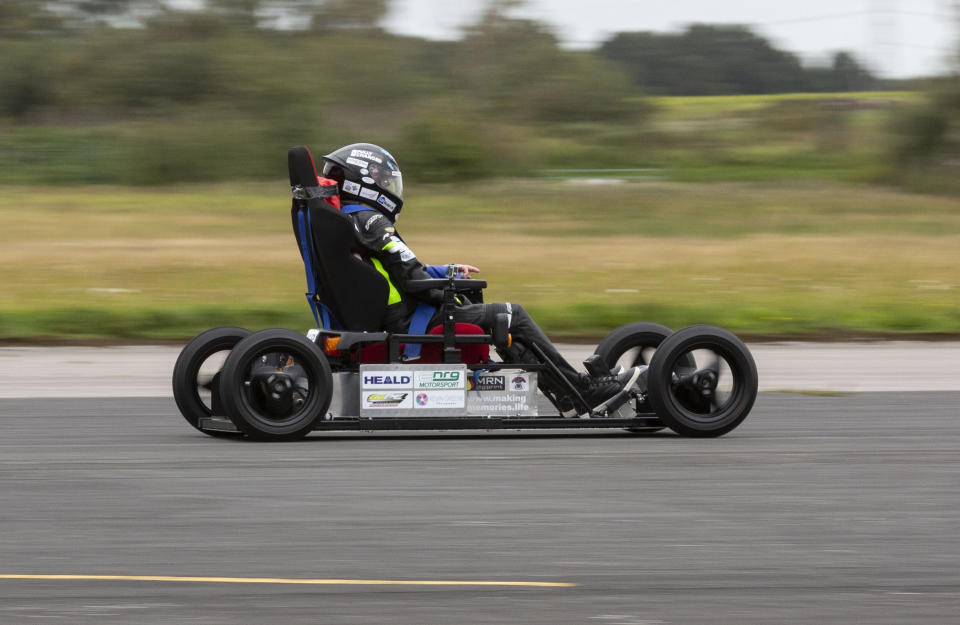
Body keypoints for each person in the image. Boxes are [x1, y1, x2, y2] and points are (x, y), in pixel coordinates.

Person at [320, 143, 640, 415]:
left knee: (497, 317)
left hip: (392, 317)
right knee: (512, 314)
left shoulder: (347, 218)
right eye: (383, 181)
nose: (389, 188)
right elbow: (409, 276)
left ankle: (568, 391)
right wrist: (449, 289)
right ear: (364, 183)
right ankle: (580, 391)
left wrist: (447, 272)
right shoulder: (372, 220)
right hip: (408, 323)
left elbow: (398, 269)